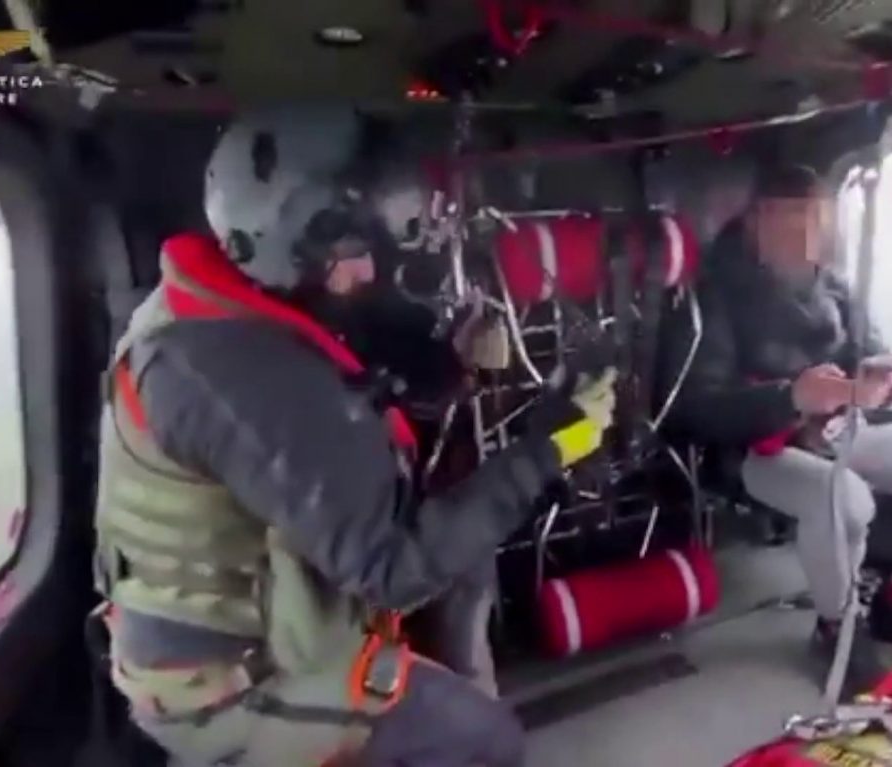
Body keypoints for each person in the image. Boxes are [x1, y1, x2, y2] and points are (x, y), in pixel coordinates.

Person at [91, 105, 617, 767]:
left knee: (466, 565)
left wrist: (445, 364)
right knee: (486, 742)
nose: (369, 273)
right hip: (224, 683)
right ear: (292, 245)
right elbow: (391, 570)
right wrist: (548, 451)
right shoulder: (239, 374)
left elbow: (345, 389)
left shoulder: (220, 316)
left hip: (258, 623)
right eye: (355, 253)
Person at [661, 161, 892, 681]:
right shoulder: (712, 297)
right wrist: (790, 397)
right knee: (847, 501)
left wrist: (886, 373)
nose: (808, 234)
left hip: (844, 432)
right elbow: (692, 407)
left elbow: (872, 351)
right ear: (756, 222)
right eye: (792, 219)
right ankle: (837, 626)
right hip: (757, 449)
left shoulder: (835, 289)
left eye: (817, 219)